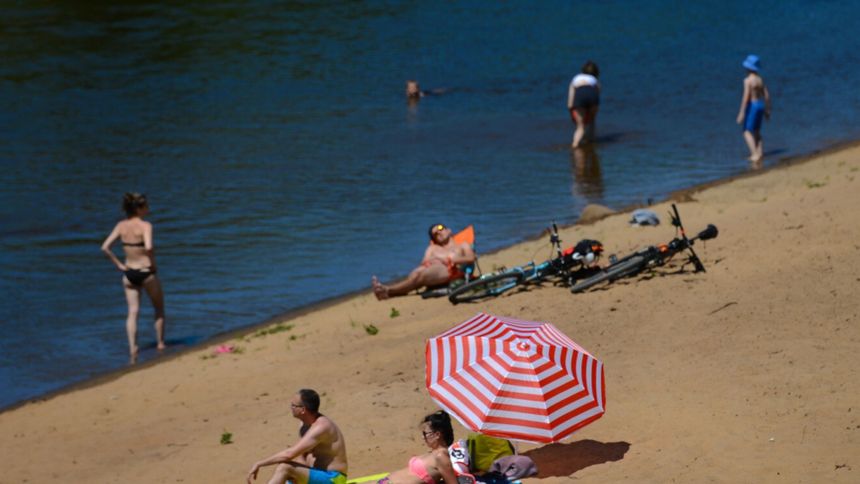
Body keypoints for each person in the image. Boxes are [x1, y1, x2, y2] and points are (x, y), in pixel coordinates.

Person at [100, 192, 165, 361]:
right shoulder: (146, 226)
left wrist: (119, 265)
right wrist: (153, 265)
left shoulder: (120, 226)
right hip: (146, 271)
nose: (148, 209)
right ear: (139, 208)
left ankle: (133, 349)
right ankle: (160, 343)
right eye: (146, 206)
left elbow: (105, 247)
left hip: (129, 273)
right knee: (158, 308)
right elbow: (149, 247)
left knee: (132, 312)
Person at [247, 389, 349, 484]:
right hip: (317, 475)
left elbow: (289, 454)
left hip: (334, 479)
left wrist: (260, 463)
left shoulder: (321, 427)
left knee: (285, 467)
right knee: (287, 473)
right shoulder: (304, 425)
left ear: (303, 410)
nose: (290, 407)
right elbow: (302, 459)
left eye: (293, 405)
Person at [372, 224, 476, 300]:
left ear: (449, 230)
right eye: (435, 234)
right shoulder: (432, 248)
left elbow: (471, 258)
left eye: (440, 228)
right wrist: (433, 260)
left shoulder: (462, 245)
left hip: (450, 269)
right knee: (417, 273)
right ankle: (388, 292)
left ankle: (387, 290)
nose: (439, 232)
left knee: (421, 274)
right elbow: (424, 262)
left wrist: (450, 259)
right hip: (431, 268)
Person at [377, 411, 458, 484]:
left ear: (437, 435)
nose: (423, 437)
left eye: (425, 433)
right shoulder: (435, 453)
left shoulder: (441, 456)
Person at [736, 54, 771, 165]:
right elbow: (766, 95)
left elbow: (745, 97)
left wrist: (741, 112)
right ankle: (760, 152)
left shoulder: (748, 81)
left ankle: (754, 153)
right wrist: (767, 109)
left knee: (746, 131)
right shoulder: (760, 79)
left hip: (752, 105)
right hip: (760, 105)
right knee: (756, 131)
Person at [567, 61, 600, 148]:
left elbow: (571, 97)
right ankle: (591, 140)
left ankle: (575, 145)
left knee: (580, 126)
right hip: (592, 96)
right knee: (592, 121)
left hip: (580, 95)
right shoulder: (594, 80)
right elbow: (598, 92)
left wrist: (570, 109)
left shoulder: (576, 78)